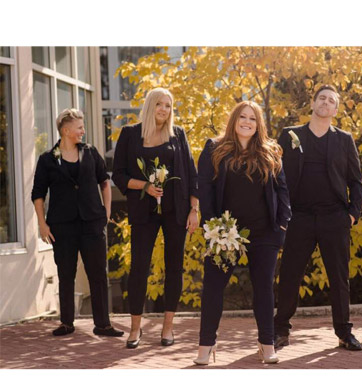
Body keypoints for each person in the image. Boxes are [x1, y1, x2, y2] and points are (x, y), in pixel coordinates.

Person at [194, 101, 291, 365]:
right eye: (242, 117)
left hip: (264, 231)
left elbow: (282, 190)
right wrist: (214, 227)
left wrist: (282, 225)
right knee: (213, 287)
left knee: (264, 288)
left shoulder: (271, 151)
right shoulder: (214, 149)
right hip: (226, 232)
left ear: (259, 124)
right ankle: (206, 344)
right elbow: (205, 190)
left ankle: (266, 343)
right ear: (234, 120)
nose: (247, 122)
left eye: (252, 118)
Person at [274, 85, 362, 351]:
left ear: (335, 110)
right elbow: (274, 175)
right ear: (313, 104)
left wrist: (352, 214)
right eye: (321, 98)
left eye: (331, 101)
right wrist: (280, 213)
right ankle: (280, 330)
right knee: (289, 276)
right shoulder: (290, 135)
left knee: (339, 278)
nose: (326, 103)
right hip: (298, 217)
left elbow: (356, 181)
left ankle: (344, 332)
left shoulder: (344, 139)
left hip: (334, 217)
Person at [112, 88, 198, 349]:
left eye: (168, 105)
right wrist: (145, 186)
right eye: (159, 104)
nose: (164, 109)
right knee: (139, 268)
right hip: (143, 212)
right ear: (150, 106)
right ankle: (135, 329)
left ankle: (168, 327)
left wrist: (194, 209)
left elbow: (191, 174)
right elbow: (118, 175)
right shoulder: (130, 134)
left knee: (174, 268)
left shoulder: (178, 134)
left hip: (176, 211)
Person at [32, 109, 123, 338]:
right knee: (66, 273)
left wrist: (106, 212)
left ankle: (103, 324)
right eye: (79, 127)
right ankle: (66, 323)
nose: (83, 131)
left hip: (92, 222)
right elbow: (38, 194)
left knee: (98, 273)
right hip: (62, 226)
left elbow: (104, 181)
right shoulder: (48, 159)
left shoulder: (90, 152)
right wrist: (42, 225)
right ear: (66, 130)